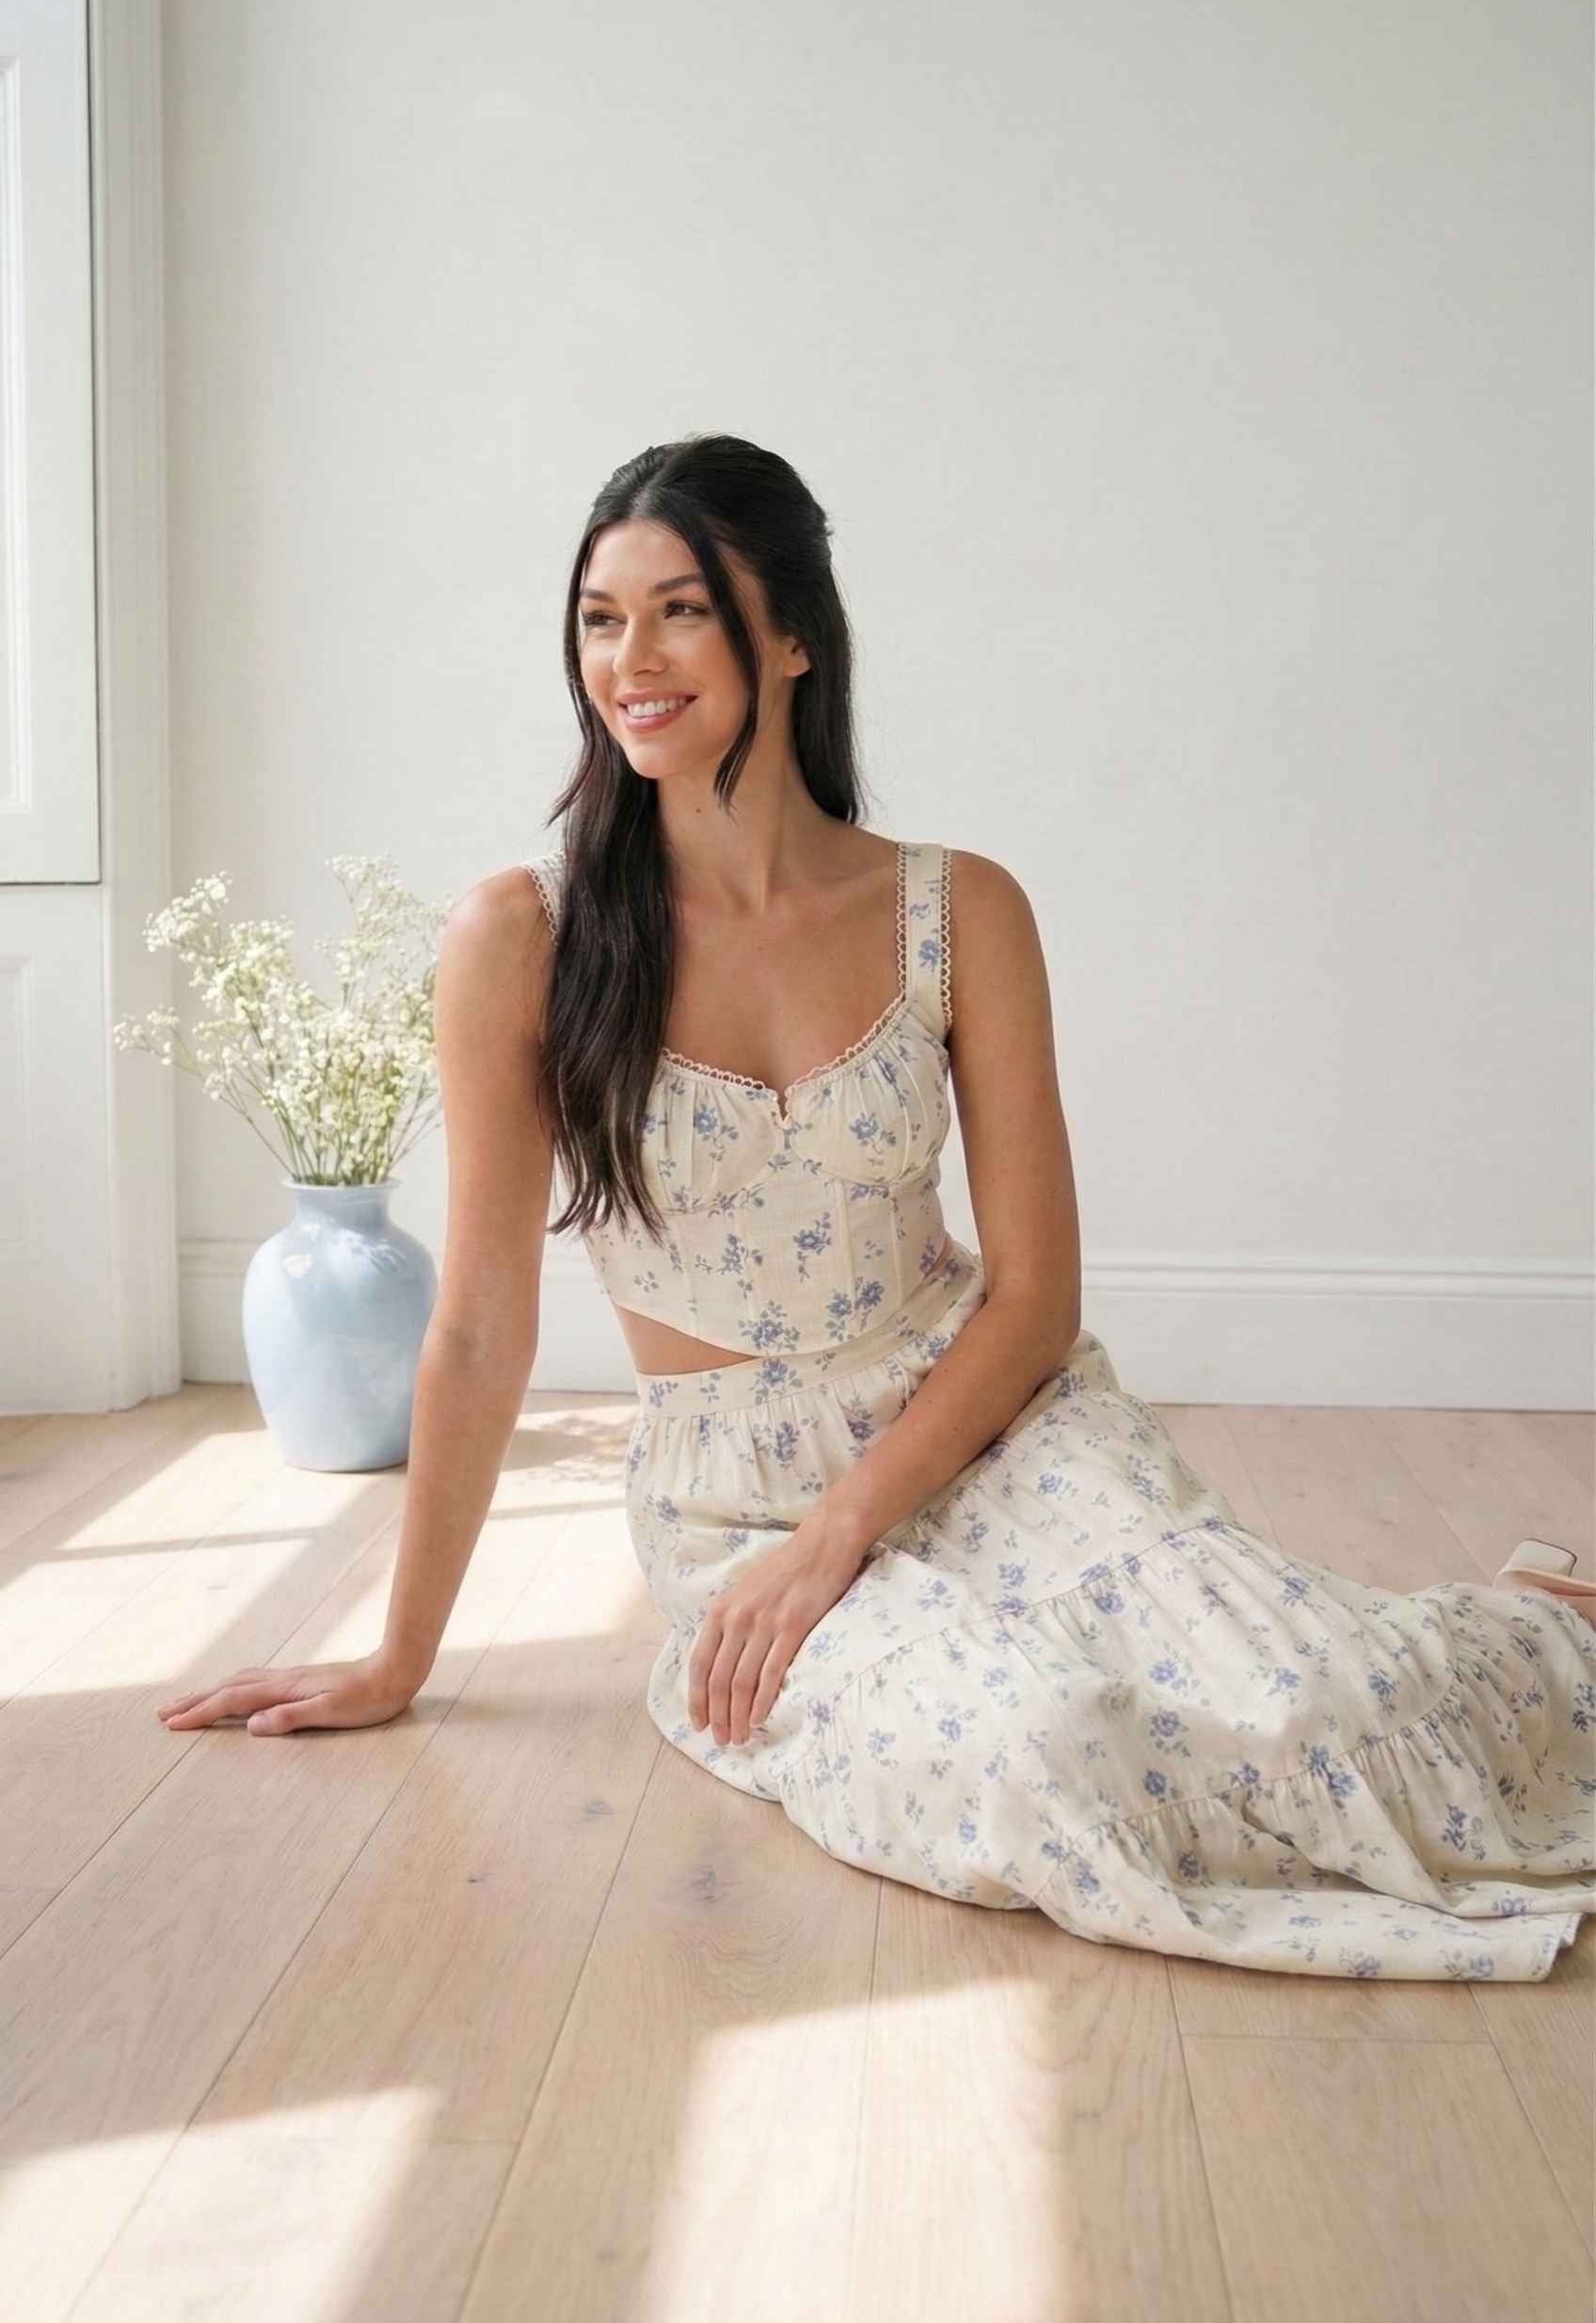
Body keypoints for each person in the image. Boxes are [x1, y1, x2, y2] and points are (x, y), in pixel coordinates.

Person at [158, 433, 1596, 1981]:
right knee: (1037, 1762)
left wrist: (854, 1522)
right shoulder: (526, 937)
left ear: (790, 637)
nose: (631, 661)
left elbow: (1034, 1298)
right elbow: (480, 1327)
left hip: (991, 1425)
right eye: (599, 619)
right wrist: (400, 1656)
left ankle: (1539, 1630)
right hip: (741, 1504)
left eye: (681, 611)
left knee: (1325, 1706)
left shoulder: (956, 907)